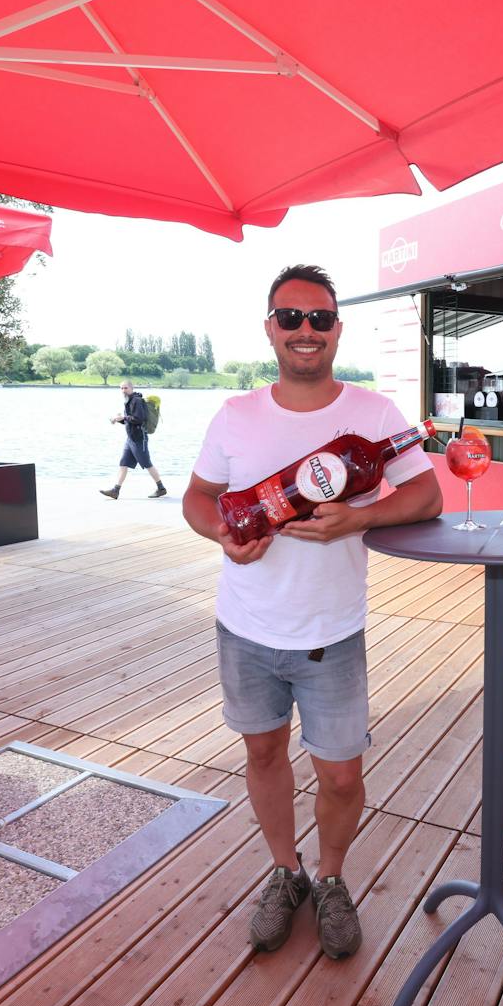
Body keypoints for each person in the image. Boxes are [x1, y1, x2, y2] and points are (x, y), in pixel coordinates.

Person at [182, 264, 442, 961]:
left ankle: (330, 878)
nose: (305, 331)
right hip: (245, 625)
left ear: (337, 328)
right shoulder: (235, 415)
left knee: (342, 775)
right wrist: (222, 535)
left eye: (319, 318)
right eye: (291, 317)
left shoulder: (375, 414)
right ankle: (284, 869)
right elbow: (198, 498)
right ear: (269, 327)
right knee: (263, 751)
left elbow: (427, 496)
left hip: (331, 631)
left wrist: (353, 522)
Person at [100, 380, 165, 499]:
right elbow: (130, 421)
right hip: (130, 439)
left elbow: (139, 419)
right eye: (121, 388)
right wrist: (118, 419)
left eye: (125, 388)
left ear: (131, 388)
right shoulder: (128, 401)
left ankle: (161, 488)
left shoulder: (136, 401)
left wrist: (123, 417)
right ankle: (115, 491)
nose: (123, 390)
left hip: (140, 438)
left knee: (147, 464)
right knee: (123, 464)